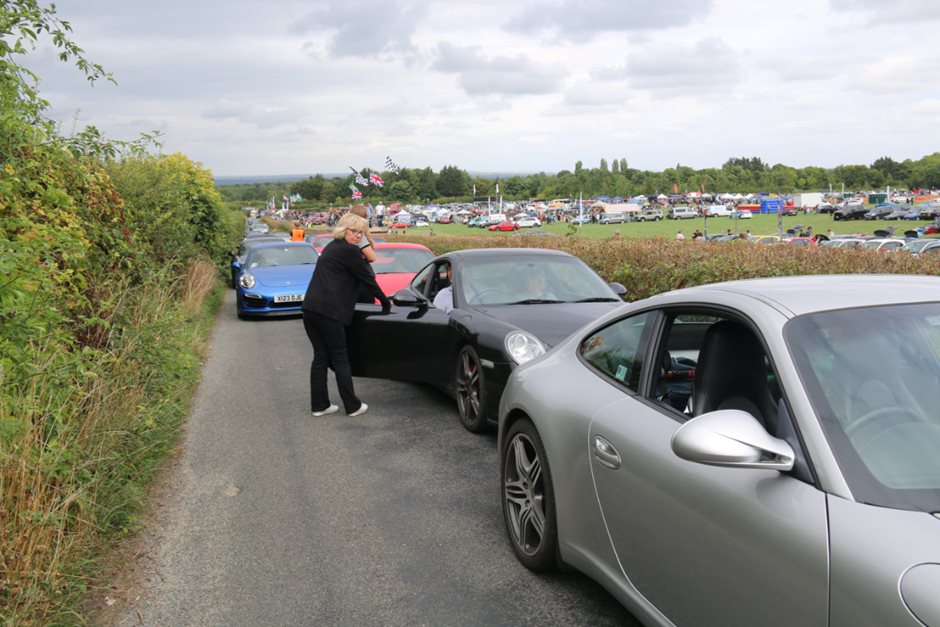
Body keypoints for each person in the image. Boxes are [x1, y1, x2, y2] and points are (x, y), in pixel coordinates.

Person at [301, 213, 391, 418]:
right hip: (330, 313)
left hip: (310, 309)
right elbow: (368, 278)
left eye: (361, 232)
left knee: (320, 357)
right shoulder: (349, 251)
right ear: (344, 229)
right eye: (354, 231)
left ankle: (319, 405)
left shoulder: (332, 247)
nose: (358, 236)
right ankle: (352, 406)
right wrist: (386, 302)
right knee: (341, 358)